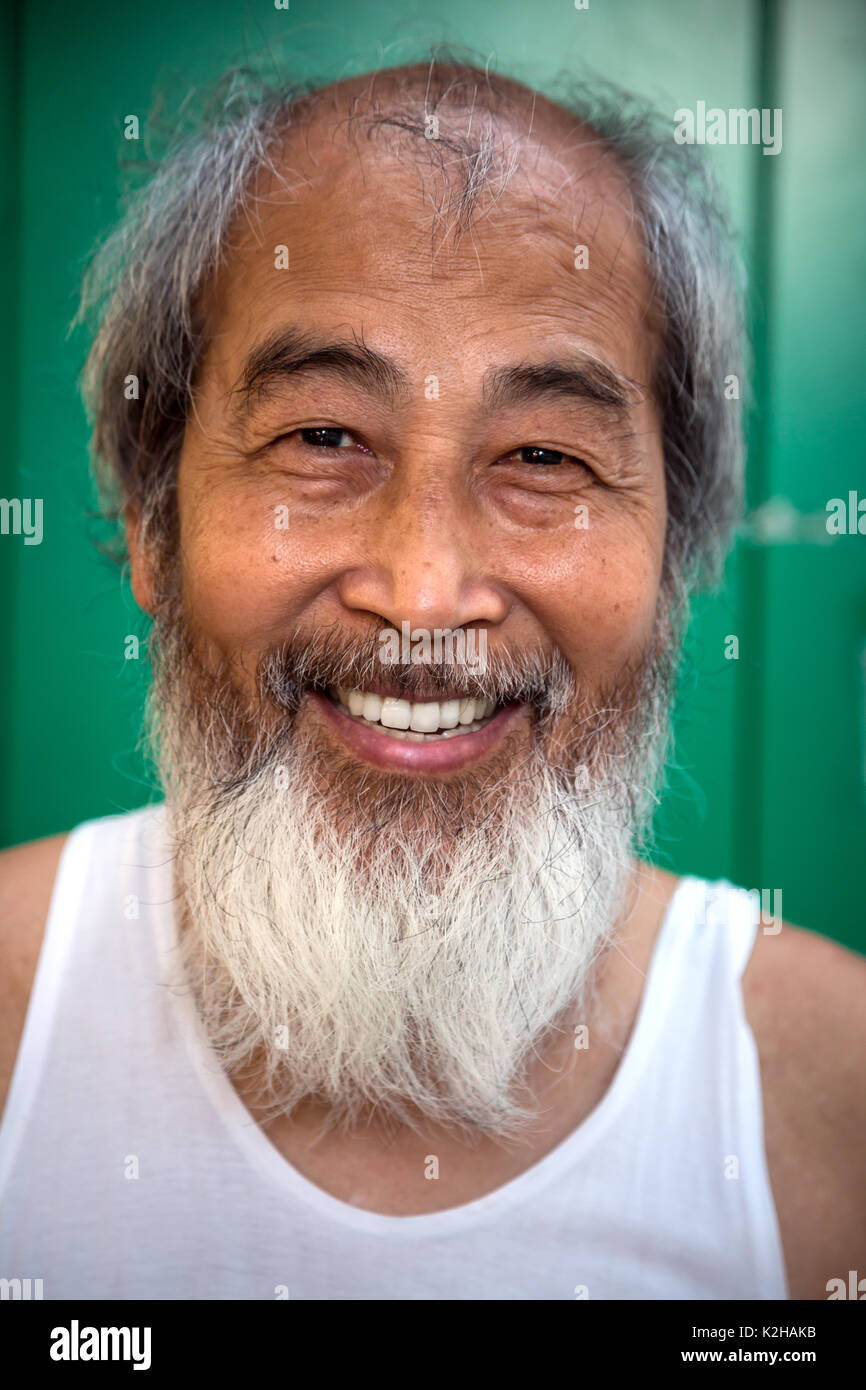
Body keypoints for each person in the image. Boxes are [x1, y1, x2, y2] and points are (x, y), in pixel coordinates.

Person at [1, 56, 864, 1301]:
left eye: (542, 458)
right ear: (153, 523)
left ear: (673, 561)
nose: (421, 591)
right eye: (323, 437)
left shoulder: (827, 1097)